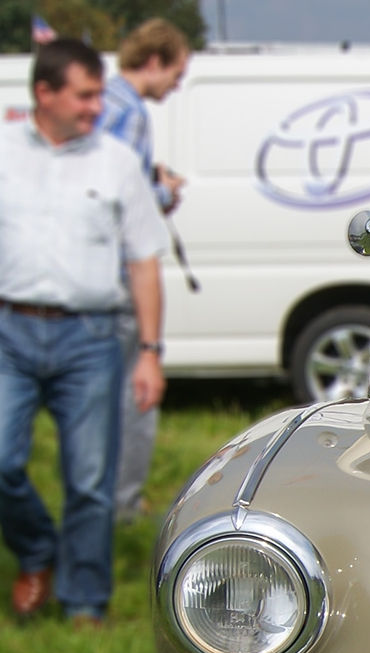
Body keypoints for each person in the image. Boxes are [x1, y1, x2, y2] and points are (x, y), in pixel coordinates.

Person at [0, 39, 169, 624]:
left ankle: (84, 602)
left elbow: (145, 260)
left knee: (92, 480)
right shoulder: (3, 151)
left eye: (99, 93)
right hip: (9, 334)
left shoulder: (117, 160)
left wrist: (149, 352)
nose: (99, 106)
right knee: (1, 459)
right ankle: (37, 550)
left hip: (92, 339)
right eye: (86, 94)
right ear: (44, 93)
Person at [98, 18, 189, 523]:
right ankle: (123, 506)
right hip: (118, 273)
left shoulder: (104, 100)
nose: (177, 84)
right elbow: (119, 197)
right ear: (154, 61)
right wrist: (165, 192)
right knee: (135, 396)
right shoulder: (129, 113)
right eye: (176, 71)